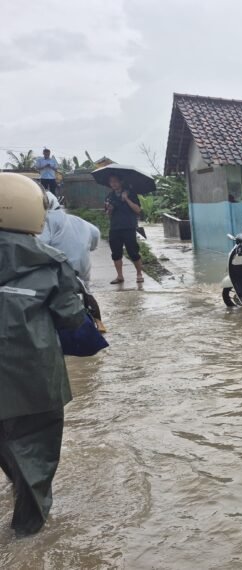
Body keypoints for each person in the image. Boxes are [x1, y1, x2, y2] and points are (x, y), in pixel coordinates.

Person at [0, 173, 85, 537]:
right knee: (36, 455)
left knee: (9, 448)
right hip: (33, 381)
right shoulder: (50, 263)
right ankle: (28, 541)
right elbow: (71, 318)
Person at [39, 192, 106, 332]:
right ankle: (99, 322)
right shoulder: (77, 220)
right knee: (87, 291)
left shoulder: (46, 221)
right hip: (83, 268)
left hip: (61, 270)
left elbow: (41, 245)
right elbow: (95, 234)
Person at [104, 174, 144, 284]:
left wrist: (126, 199)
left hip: (129, 227)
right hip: (115, 228)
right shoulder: (109, 196)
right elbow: (107, 214)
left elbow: (138, 210)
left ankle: (139, 274)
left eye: (115, 181)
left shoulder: (131, 194)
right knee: (116, 253)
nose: (113, 184)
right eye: (111, 182)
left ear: (121, 182)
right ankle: (120, 276)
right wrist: (109, 209)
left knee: (133, 252)